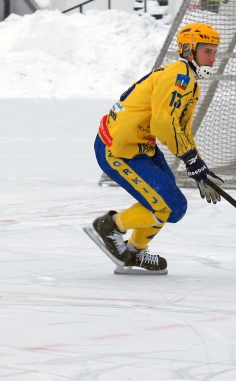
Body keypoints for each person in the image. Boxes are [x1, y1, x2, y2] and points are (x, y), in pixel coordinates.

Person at [85, 24, 224, 275]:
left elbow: (180, 129)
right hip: (117, 149)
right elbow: (163, 124)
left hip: (141, 147)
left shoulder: (188, 80)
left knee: (167, 202)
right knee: (170, 206)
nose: (213, 59)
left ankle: (133, 252)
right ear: (189, 51)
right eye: (207, 52)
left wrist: (199, 165)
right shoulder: (178, 77)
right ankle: (110, 226)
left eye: (215, 52)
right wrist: (191, 160)